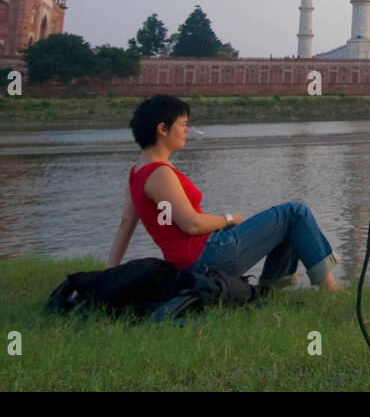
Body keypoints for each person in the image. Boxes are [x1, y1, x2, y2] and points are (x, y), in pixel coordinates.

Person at [106, 94, 343, 293]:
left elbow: (125, 225)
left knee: (286, 224)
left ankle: (272, 290)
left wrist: (108, 277)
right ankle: (329, 287)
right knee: (295, 212)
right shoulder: (159, 173)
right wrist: (229, 219)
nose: (187, 130)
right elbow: (192, 225)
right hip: (207, 256)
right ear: (162, 129)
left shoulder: (137, 172)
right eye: (183, 124)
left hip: (191, 260)